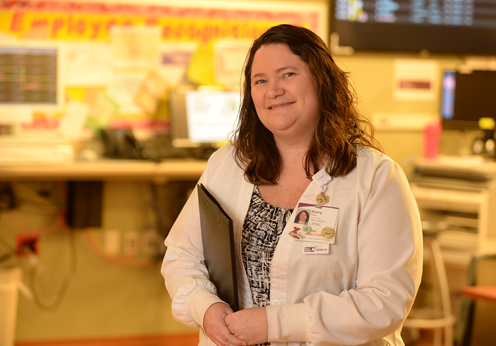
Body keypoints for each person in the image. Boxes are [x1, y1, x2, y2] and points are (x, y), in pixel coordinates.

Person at [161, 24, 422, 346]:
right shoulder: (227, 164)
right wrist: (205, 307)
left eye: (287, 74)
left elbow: (385, 302)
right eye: (260, 81)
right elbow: (182, 254)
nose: (273, 90)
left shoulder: (376, 178)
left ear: (322, 81)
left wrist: (274, 324)